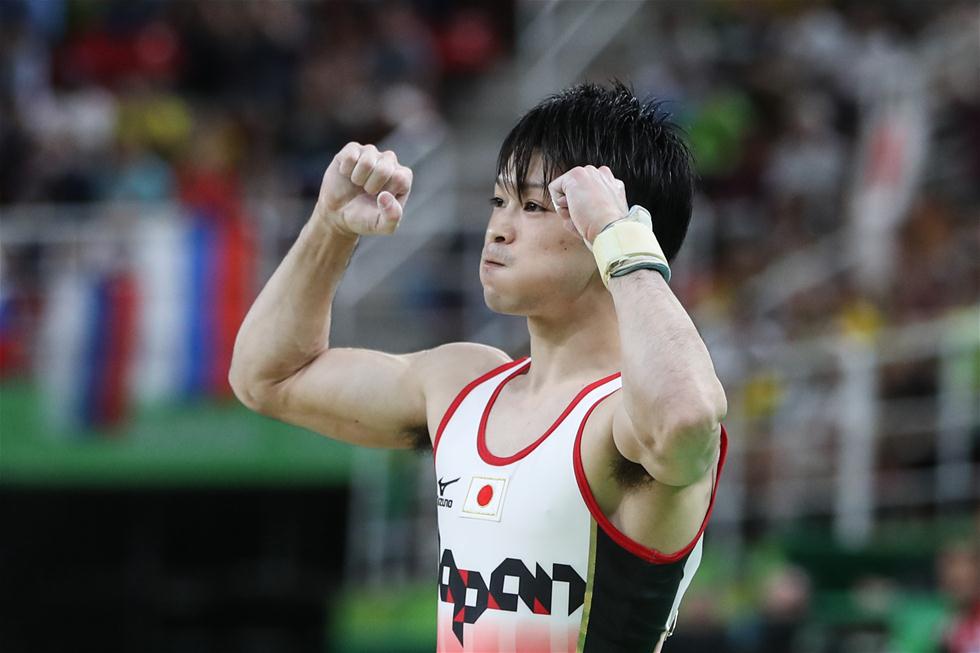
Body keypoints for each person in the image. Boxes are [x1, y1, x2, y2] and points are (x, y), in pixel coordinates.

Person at [229, 82, 728, 653]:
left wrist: (622, 237)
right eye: (499, 201)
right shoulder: (461, 387)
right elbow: (267, 377)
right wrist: (329, 227)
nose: (499, 228)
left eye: (534, 206)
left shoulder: (624, 421)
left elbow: (688, 417)